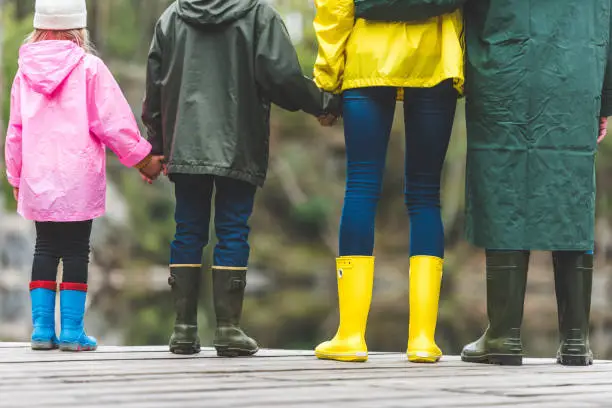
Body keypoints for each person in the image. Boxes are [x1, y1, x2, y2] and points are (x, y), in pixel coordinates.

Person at [142, 0, 340, 356]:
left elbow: (155, 87)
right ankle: (228, 330)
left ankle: (183, 330)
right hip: (238, 139)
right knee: (233, 228)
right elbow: (283, 78)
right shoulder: (258, 15)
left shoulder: (171, 17)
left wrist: (157, 142)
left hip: (184, 141)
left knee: (187, 227)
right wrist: (322, 103)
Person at [458, 0, 612, 367]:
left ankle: (504, 336)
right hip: (576, 74)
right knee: (573, 191)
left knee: (504, 186)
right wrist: (604, 100)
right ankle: (576, 339)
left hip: (504, 76)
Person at [4, 0, 163, 352]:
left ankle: (42, 331)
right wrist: (143, 159)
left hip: (38, 177)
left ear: (39, 26)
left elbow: (15, 131)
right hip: (78, 177)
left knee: (44, 248)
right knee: (76, 251)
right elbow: (115, 124)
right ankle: (73, 332)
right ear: (79, 29)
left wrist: (15, 177)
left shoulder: (23, 71)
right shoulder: (89, 68)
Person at [312, 0, 464, 363]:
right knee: (426, 195)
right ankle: (423, 339)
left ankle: (350, 335)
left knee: (361, 186)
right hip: (435, 55)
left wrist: (328, 77)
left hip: (368, 57)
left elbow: (334, 7)